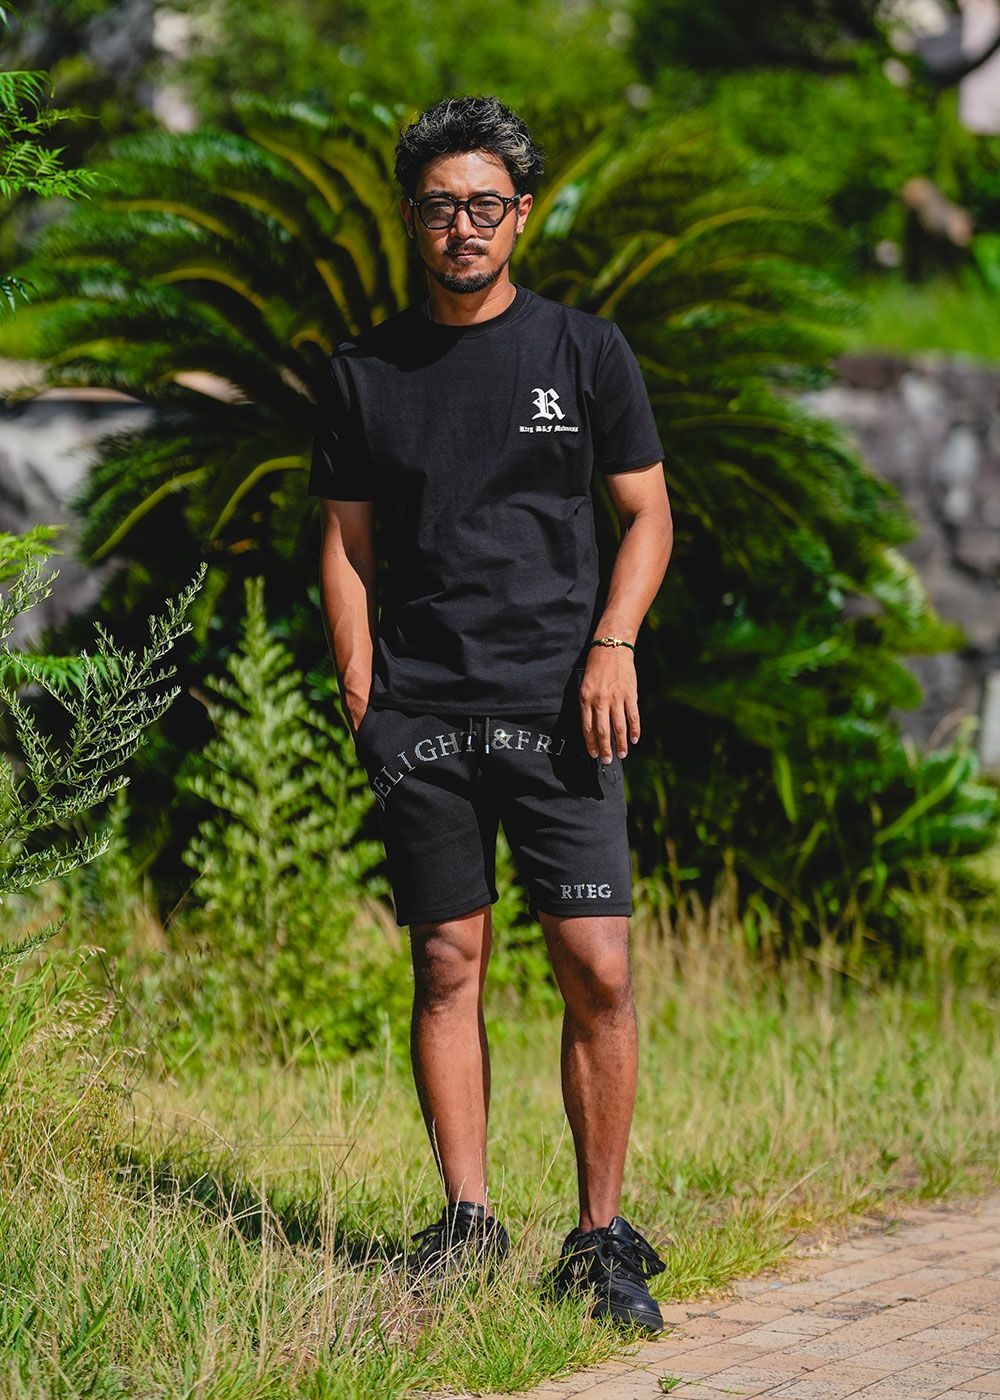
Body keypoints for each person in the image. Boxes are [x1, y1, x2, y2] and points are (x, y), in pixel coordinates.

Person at [309, 95, 673, 1334]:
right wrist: (360, 682)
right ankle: (466, 1219)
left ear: (520, 214)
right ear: (411, 219)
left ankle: (598, 1235)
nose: (460, 226)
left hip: (564, 706)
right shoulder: (364, 372)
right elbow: (344, 540)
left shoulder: (584, 352)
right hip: (422, 710)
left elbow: (646, 514)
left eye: (482, 204)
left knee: (596, 964)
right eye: (438, 206)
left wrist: (612, 645)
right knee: (446, 961)